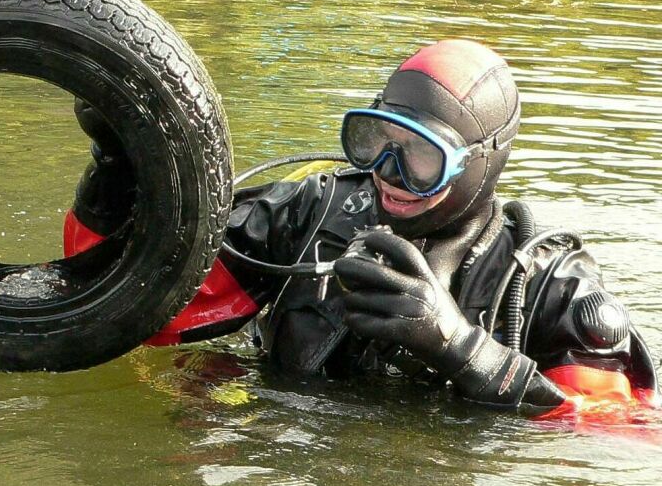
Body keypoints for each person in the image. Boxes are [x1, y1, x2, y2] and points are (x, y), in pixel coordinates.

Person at [65, 39, 658, 417]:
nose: (389, 173)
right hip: (286, 468)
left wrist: (465, 351)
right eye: (376, 141)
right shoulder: (310, 211)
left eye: (421, 156)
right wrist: (116, 172)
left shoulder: (552, 286)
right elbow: (136, 313)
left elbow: (612, 444)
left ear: (482, 160)